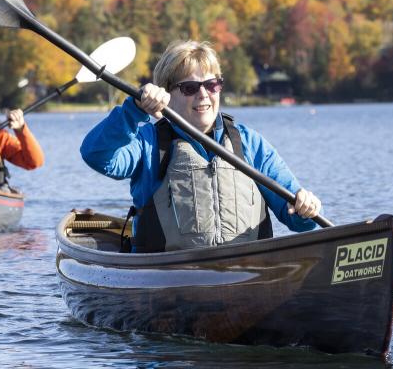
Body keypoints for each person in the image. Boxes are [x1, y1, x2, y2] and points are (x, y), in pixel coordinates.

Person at [80, 40, 323, 252]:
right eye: (190, 88)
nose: (204, 95)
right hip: (168, 278)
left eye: (212, 84)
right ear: (166, 95)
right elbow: (97, 155)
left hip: (246, 273)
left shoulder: (250, 144)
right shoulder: (148, 143)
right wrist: (133, 111)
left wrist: (305, 207)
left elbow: (299, 222)